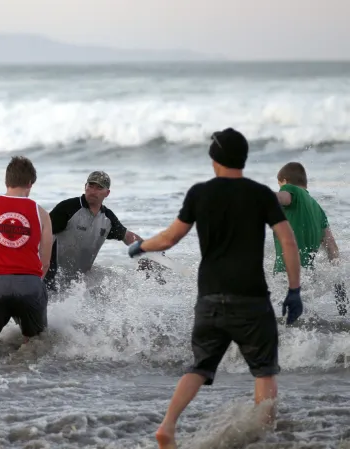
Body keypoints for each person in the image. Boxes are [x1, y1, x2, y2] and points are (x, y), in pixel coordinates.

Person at [126, 128, 303, 449]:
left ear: (215, 159)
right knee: (264, 372)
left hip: (209, 300)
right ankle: (264, 437)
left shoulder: (199, 193)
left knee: (200, 367)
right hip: (252, 301)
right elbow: (288, 240)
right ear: (243, 158)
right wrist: (294, 289)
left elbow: (169, 238)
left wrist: (141, 246)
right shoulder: (261, 194)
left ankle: (168, 425)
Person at [0, 156, 54, 362]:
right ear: (30, 184)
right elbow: (45, 262)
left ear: (6, 182)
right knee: (34, 345)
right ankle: (30, 389)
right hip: (30, 284)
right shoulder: (41, 213)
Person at [45, 170, 160, 291]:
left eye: (99, 188)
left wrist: (147, 251)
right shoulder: (68, 208)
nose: (93, 191)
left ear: (107, 193)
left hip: (78, 283)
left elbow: (127, 236)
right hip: (53, 277)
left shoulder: (107, 218)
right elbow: (41, 233)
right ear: (85, 187)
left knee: (116, 286)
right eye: (91, 186)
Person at [273, 162, 346, 315]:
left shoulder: (290, 190)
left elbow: (282, 198)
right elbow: (332, 248)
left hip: (285, 277)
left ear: (285, 181)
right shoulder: (318, 209)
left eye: (280, 184)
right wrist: (340, 290)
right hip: (306, 280)